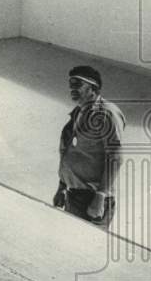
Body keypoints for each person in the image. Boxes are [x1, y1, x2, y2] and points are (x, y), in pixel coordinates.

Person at [52, 65, 125, 227]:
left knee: (89, 241)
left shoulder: (106, 113)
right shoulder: (79, 112)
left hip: (93, 199)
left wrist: (100, 197)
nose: (72, 88)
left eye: (77, 84)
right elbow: (69, 152)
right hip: (74, 195)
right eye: (70, 84)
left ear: (93, 87)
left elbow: (116, 157)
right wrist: (62, 187)